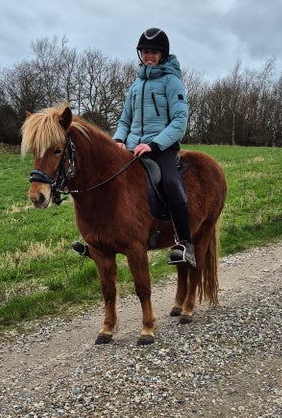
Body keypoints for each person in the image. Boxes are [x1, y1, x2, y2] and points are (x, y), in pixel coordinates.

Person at [72, 27, 196, 268]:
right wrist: (118, 140)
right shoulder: (135, 86)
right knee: (101, 183)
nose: (149, 56)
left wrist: (153, 144)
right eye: (145, 52)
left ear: (163, 54)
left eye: (154, 52)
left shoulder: (173, 83)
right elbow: (124, 120)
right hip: (131, 148)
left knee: (170, 183)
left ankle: (185, 243)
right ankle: (98, 240)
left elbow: (180, 121)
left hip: (162, 148)